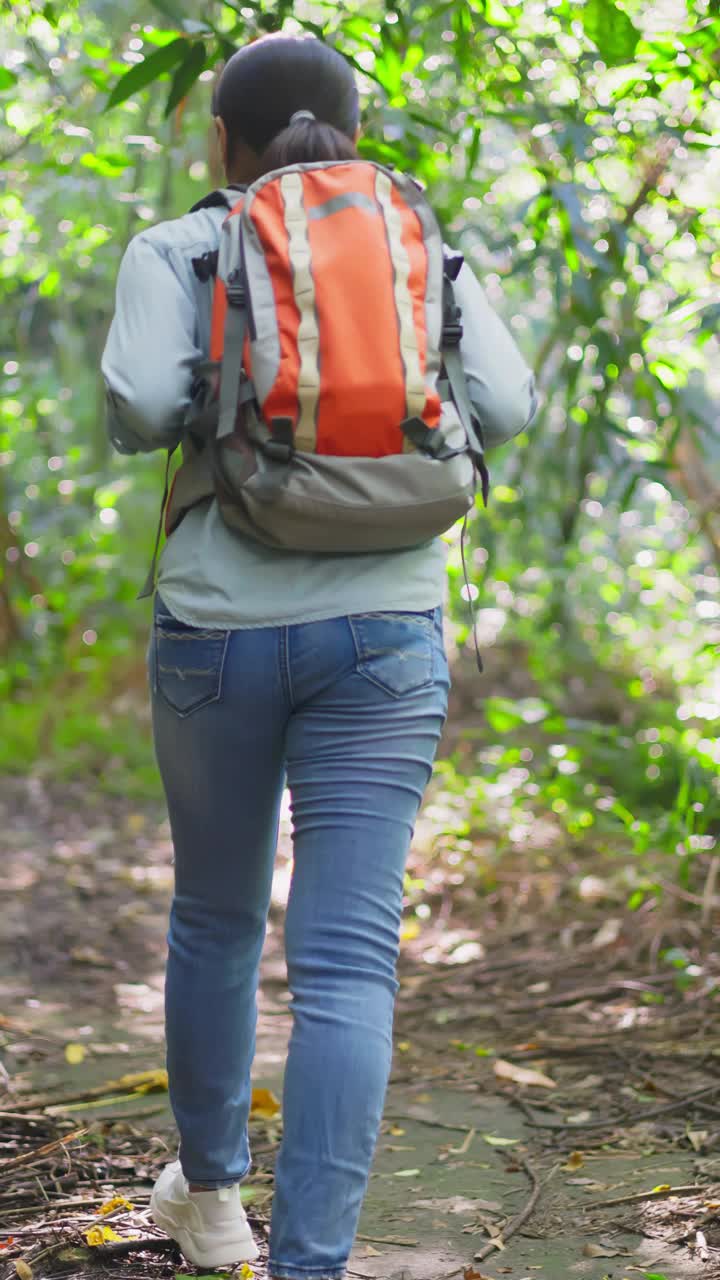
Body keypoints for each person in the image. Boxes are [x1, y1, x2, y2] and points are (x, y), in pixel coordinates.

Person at [101, 31, 536, 1280]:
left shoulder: (180, 245)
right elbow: (504, 408)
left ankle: (215, 1197)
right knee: (349, 954)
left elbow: (136, 405)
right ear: (352, 130)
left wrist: (230, 399)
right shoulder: (419, 243)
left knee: (219, 913)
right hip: (388, 630)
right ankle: (314, 1263)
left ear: (221, 142)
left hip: (218, 632)